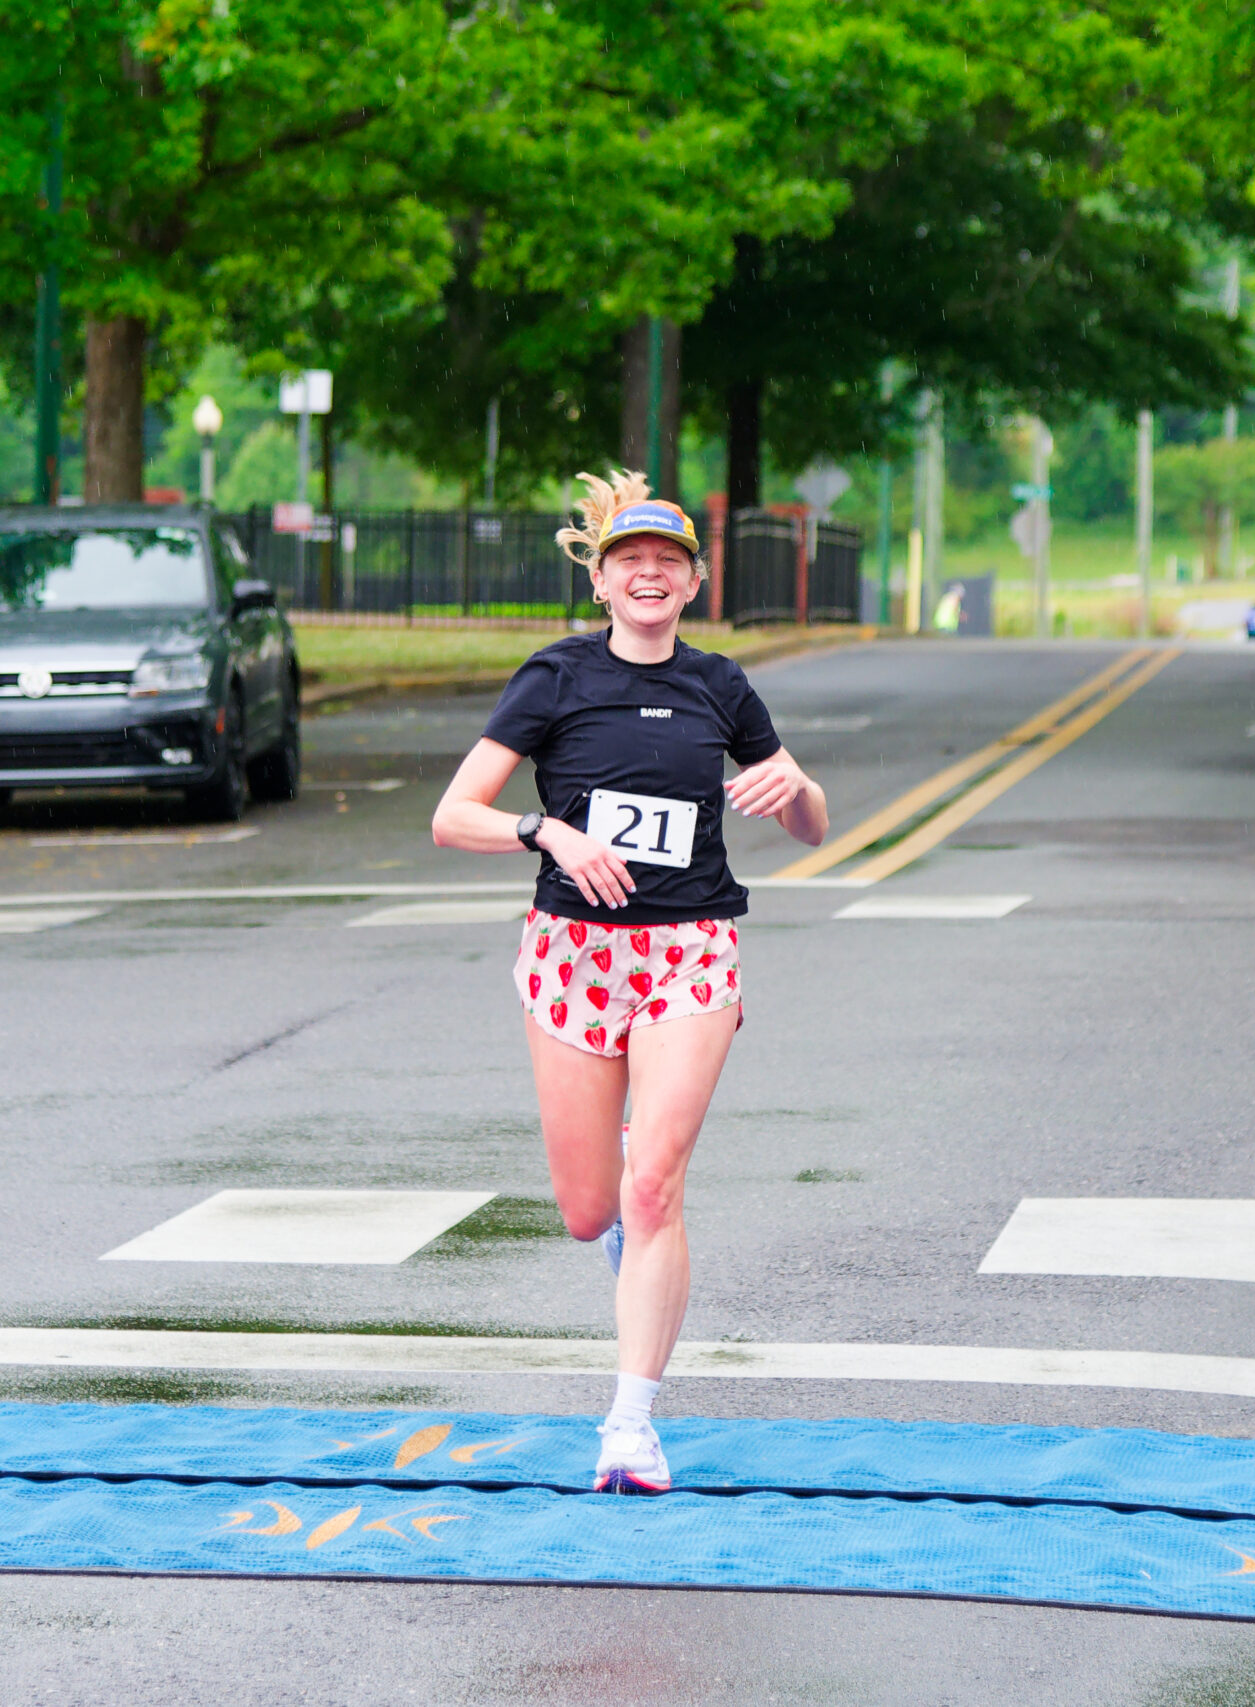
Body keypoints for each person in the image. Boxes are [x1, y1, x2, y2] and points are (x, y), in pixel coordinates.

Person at [432, 472, 827, 1494]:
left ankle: (630, 1424)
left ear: (691, 583)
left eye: (668, 562)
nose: (648, 575)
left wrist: (801, 791)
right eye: (628, 562)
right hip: (573, 952)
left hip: (690, 948)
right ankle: (622, 1193)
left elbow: (807, 820)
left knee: (653, 1185)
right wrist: (544, 827)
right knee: (585, 1207)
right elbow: (453, 815)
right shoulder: (554, 678)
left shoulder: (721, 686)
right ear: (601, 584)